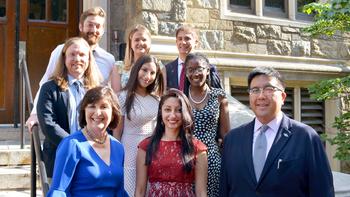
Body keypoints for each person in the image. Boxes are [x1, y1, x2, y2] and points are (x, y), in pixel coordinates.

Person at [219, 66, 334, 197]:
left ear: (283, 97)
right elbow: (225, 190)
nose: (261, 96)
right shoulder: (233, 139)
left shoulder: (306, 137)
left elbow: (323, 190)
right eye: (255, 90)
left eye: (269, 89)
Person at [26, 7, 115, 131]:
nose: (94, 30)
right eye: (90, 25)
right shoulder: (61, 50)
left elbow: (106, 96)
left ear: (103, 30)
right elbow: (46, 83)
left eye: (98, 26)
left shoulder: (109, 60)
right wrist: (35, 113)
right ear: (80, 26)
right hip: (63, 127)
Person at [37, 37, 101, 179]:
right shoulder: (49, 88)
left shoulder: (97, 90)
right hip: (59, 156)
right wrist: (76, 146)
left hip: (91, 158)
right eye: (72, 54)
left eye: (82, 55)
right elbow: (48, 125)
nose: (77, 59)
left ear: (89, 59)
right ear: (64, 58)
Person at [47, 86, 128, 196]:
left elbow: (119, 191)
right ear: (84, 111)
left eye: (104, 107)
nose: (97, 112)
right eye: (92, 106)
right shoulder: (71, 145)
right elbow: (59, 191)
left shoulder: (118, 147)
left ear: (113, 113)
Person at [135, 88, 208, 197]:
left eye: (178, 110)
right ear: (161, 112)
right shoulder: (145, 146)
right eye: (168, 109)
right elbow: (140, 191)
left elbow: (201, 192)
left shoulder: (197, 148)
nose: (173, 115)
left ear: (185, 113)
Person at [114, 55, 164, 196]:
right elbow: (117, 132)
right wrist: (117, 157)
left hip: (153, 150)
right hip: (129, 150)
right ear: (137, 70)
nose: (148, 76)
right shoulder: (123, 96)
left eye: (153, 73)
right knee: (129, 190)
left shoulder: (157, 100)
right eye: (144, 70)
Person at [185, 53, 230, 196]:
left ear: (208, 70)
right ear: (186, 73)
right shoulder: (180, 97)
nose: (195, 73)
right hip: (186, 159)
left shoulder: (219, 96)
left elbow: (226, 134)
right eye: (190, 70)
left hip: (212, 160)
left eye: (199, 68)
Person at [164, 25, 222, 95]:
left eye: (187, 38)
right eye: (180, 39)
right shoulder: (167, 69)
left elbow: (218, 97)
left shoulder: (208, 69)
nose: (183, 42)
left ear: (196, 43)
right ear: (176, 42)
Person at [111, 24, 152, 92]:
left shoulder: (158, 67)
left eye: (144, 40)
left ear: (149, 43)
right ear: (130, 44)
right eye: (137, 40)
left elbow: (160, 95)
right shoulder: (118, 67)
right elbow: (116, 95)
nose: (141, 43)